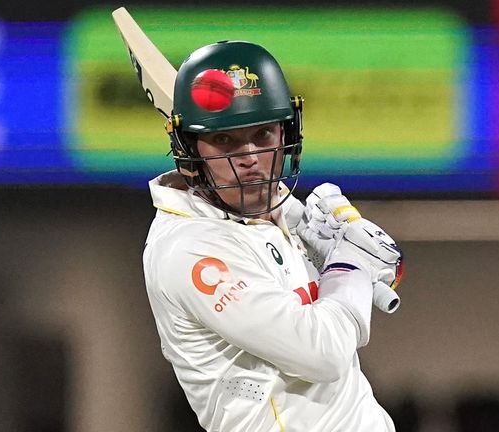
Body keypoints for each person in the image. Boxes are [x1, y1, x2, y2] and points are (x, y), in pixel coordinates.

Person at [142, 40, 404, 432]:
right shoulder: (190, 250)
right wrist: (349, 265)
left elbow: (377, 281)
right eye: (225, 140)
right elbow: (324, 353)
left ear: (286, 134)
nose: (249, 158)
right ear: (189, 151)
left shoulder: (276, 210)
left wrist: (356, 264)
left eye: (263, 135)